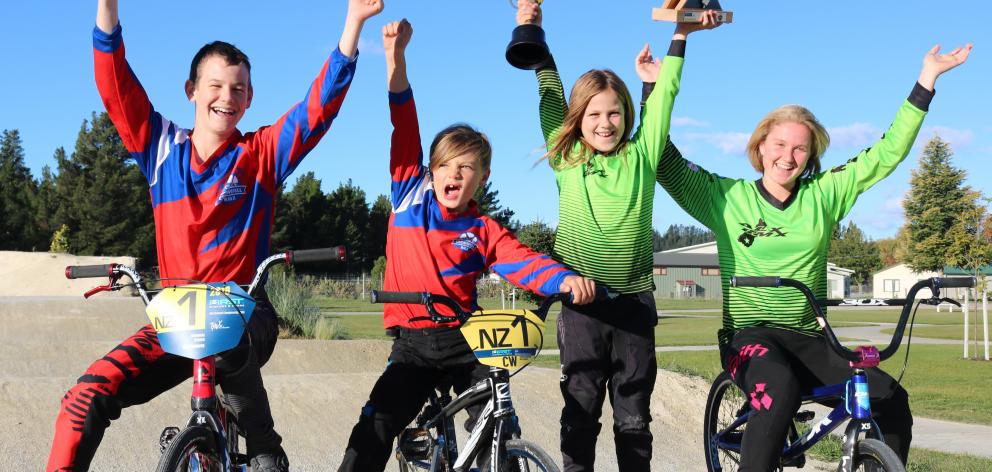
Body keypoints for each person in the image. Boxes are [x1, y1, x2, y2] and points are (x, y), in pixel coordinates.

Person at [46, 1, 384, 470]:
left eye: (239, 89)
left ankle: (264, 447)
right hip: (175, 317)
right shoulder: (161, 147)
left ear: (248, 100)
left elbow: (315, 111)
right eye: (217, 85)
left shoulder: (261, 153)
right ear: (191, 90)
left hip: (245, 310)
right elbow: (114, 83)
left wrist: (353, 25)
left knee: (228, 344)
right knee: (84, 399)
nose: (227, 96)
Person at [651, 18, 972, 470]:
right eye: (779, 144)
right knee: (776, 389)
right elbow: (662, 158)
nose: (788, 156)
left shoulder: (824, 195)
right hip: (749, 339)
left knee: (889, 397)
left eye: (800, 149)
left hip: (809, 337)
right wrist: (661, 73)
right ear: (760, 146)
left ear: (811, 155)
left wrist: (926, 80)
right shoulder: (724, 197)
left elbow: (885, 154)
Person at [336, 19, 597, 472]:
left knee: (498, 426)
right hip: (414, 342)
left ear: (482, 178)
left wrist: (566, 279)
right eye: (446, 165)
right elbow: (402, 118)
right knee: (374, 428)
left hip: (465, 337)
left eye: (467, 167)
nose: (454, 174)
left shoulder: (480, 226)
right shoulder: (408, 193)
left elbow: (522, 260)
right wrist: (396, 59)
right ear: (431, 170)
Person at [513, 2, 721, 470]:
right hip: (582, 306)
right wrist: (532, 29)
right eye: (593, 115)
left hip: (633, 308)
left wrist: (681, 37)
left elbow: (665, 96)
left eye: (613, 113)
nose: (605, 123)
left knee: (633, 420)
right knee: (581, 413)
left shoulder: (643, 156)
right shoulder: (566, 158)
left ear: (627, 114)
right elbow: (549, 93)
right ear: (577, 120)